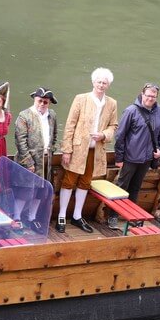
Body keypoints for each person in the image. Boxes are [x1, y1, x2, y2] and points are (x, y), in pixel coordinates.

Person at [56, 68, 119, 233]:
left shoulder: (112, 103)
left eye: (104, 83)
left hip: (95, 150)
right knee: (69, 180)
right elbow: (70, 124)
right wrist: (66, 150)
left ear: (108, 85)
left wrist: (103, 135)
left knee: (85, 182)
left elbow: (113, 126)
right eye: (99, 82)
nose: (101, 85)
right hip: (77, 149)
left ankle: (77, 216)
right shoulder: (81, 99)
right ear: (93, 82)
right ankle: (62, 215)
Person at [113, 82, 160, 208]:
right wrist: (119, 158)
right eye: (148, 95)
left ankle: (131, 215)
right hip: (130, 158)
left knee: (136, 187)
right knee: (121, 187)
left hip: (147, 159)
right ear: (142, 94)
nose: (150, 99)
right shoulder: (131, 111)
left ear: (156, 97)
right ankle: (113, 215)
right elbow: (120, 136)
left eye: (153, 97)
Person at [13, 87, 59, 230]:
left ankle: (31, 218)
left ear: (49, 103)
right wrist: (28, 162)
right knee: (24, 191)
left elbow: (54, 136)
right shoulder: (24, 115)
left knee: (41, 192)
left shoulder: (52, 115)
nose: (42, 104)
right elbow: (20, 141)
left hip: (46, 161)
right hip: (28, 161)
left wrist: (51, 151)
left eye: (45, 102)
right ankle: (16, 217)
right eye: (40, 101)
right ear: (35, 99)